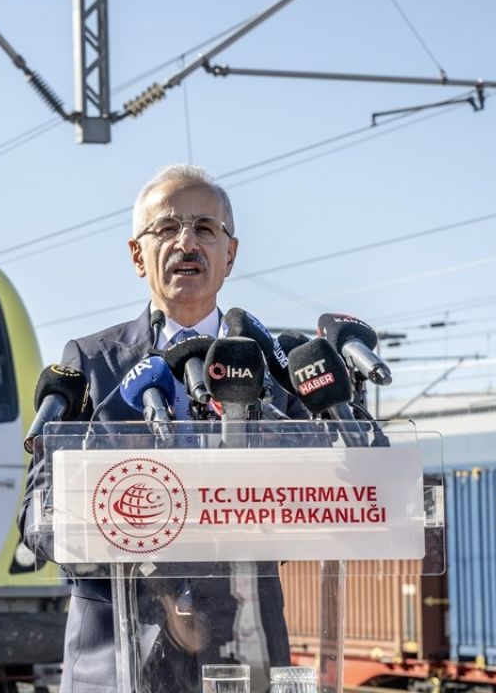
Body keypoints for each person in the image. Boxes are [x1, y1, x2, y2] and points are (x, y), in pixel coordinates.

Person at [20, 165, 306, 693]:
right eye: (167, 228)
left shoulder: (274, 363)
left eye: (205, 228)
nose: (186, 242)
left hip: (245, 653)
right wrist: (159, 578)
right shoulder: (90, 363)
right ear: (137, 255)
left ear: (231, 253)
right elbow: (39, 518)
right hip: (115, 661)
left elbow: (315, 499)